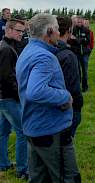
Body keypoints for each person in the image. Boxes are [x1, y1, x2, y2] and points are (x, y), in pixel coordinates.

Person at [16, 13, 81, 183]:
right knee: (67, 178)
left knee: (39, 178)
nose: (60, 33)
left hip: (34, 127)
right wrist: (65, 96)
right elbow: (35, 91)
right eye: (58, 30)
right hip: (51, 130)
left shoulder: (27, 51)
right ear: (50, 31)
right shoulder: (45, 57)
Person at [0, 19, 28, 180]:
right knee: (22, 132)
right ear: (9, 30)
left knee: (3, 132)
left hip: (3, 97)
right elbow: (7, 77)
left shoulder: (5, 46)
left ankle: (3, 163)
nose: (21, 34)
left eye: (22, 31)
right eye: (18, 30)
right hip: (8, 98)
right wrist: (19, 96)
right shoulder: (6, 50)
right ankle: (22, 169)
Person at [56, 17, 83, 137]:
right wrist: (78, 103)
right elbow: (72, 86)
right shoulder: (68, 55)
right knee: (65, 145)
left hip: (51, 105)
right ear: (69, 31)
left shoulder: (47, 49)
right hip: (67, 106)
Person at [71, 17, 91, 92]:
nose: (79, 23)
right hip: (76, 53)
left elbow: (88, 41)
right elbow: (71, 41)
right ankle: (77, 87)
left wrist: (76, 39)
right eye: (78, 22)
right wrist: (82, 39)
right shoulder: (73, 30)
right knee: (77, 71)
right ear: (76, 22)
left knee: (85, 71)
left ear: (82, 22)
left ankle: (85, 87)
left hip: (85, 54)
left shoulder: (86, 30)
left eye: (80, 22)